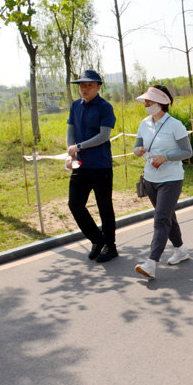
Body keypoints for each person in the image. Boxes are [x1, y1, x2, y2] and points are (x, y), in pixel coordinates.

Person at [133, 85, 193, 280]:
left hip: (171, 179)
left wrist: (165, 157)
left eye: (149, 100)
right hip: (150, 179)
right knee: (168, 216)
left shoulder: (175, 124)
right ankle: (180, 249)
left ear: (162, 102)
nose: (146, 103)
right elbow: (137, 147)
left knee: (160, 219)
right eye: (145, 100)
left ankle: (151, 263)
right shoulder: (144, 124)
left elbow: (187, 152)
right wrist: (138, 151)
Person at [66, 70, 118, 263]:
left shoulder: (105, 107)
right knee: (75, 204)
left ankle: (110, 246)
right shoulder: (75, 106)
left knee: (104, 206)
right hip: (81, 165)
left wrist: (79, 146)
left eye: (90, 85)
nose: (85, 88)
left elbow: (104, 135)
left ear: (98, 87)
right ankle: (97, 240)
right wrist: (71, 152)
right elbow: (70, 131)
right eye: (82, 85)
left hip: (100, 165)